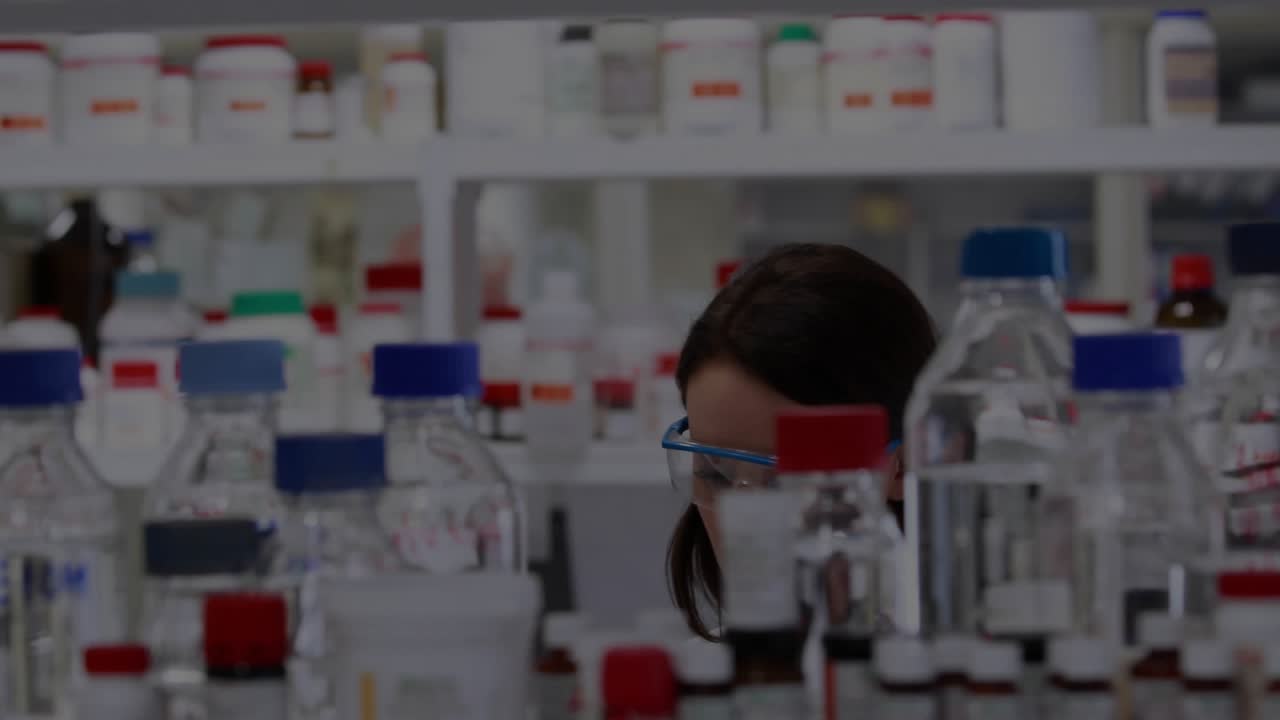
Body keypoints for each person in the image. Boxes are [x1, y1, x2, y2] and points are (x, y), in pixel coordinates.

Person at [662, 243, 938, 640]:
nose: (743, 521)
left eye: (785, 479)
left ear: (906, 460)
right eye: (715, 475)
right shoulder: (704, 681)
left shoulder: (963, 675)